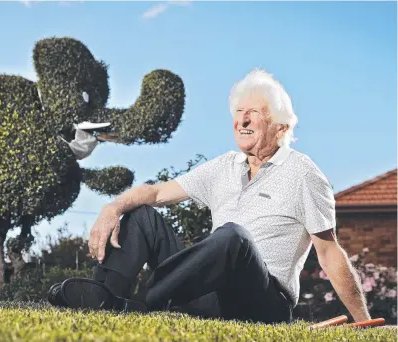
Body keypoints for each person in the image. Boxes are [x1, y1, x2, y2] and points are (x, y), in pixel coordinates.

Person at [47, 69, 372, 324]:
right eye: (239, 111)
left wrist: (364, 321)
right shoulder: (224, 166)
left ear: (282, 127)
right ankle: (107, 298)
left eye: (255, 113)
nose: (242, 120)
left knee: (232, 236)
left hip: (264, 302)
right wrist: (111, 206)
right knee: (142, 213)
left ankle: (143, 304)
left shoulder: (304, 174)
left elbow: (329, 251)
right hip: (210, 292)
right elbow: (157, 192)